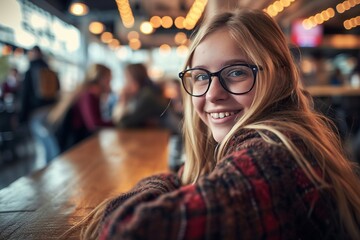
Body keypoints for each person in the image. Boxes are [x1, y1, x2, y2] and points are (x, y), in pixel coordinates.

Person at [76, 9, 360, 239]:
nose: (212, 93)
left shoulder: (275, 154)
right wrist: (179, 178)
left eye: (236, 72)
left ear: (279, 77)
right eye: (200, 76)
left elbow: (127, 231)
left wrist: (166, 181)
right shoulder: (277, 142)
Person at [48, 63, 114, 153]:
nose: (110, 82)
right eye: (109, 78)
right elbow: (94, 124)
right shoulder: (89, 95)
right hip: (75, 143)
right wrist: (115, 123)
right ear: (101, 79)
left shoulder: (87, 91)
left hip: (76, 139)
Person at [19, 46, 61, 163]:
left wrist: (22, 117)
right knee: (49, 136)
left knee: (44, 140)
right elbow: (58, 89)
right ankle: (53, 162)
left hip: (37, 111)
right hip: (51, 109)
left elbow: (25, 95)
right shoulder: (50, 70)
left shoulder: (30, 71)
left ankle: (50, 163)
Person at [112, 63, 168, 129]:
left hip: (170, 135)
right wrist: (124, 100)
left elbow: (125, 124)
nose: (125, 83)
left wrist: (123, 100)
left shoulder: (147, 95)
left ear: (134, 79)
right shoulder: (139, 94)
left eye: (127, 78)